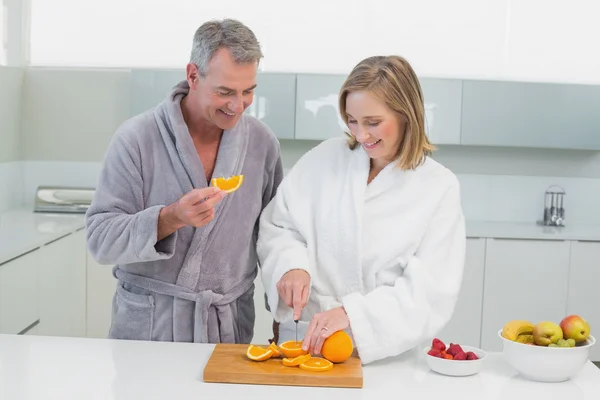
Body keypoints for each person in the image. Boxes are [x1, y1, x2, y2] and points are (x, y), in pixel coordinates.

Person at [257, 55, 466, 364]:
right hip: (303, 345)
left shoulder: (438, 188)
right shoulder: (324, 159)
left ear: (406, 114)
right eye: (352, 120)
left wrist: (352, 315)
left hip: (384, 357)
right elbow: (280, 225)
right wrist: (291, 265)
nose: (360, 135)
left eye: (373, 123)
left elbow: (429, 294)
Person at [86, 19, 283, 344]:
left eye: (248, 91)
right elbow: (100, 239)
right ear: (193, 75)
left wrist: (283, 315)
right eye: (225, 92)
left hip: (227, 329)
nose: (238, 105)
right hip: (149, 327)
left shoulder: (261, 143)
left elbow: (275, 239)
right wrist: (169, 219)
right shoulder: (137, 139)